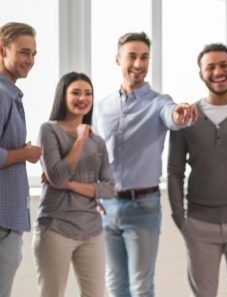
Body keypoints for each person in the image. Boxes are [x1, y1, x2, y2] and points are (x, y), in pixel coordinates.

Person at [93, 32, 197, 297]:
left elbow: (173, 116)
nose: (138, 64)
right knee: (115, 285)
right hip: (106, 208)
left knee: (141, 286)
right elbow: (93, 154)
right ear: (118, 59)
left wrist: (181, 113)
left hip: (143, 207)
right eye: (132, 56)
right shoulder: (101, 107)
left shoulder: (159, 102)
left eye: (144, 57)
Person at [167, 43, 227, 297]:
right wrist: (179, 218)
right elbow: (174, 171)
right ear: (201, 74)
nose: (218, 71)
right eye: (211, 67)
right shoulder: (186, 117)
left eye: (224, 64)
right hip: (199, 225)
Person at [32, 72, 115, 297]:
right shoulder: (49, 130)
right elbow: (57, 178)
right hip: (56, 228)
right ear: (63, 96)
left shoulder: (97, 142)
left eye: (88, 93)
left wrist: (69, 185)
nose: (83, 98)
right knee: (52, 294)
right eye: (76, 92)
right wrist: (79, 140)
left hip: (91, 230)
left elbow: (109, 189)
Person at [0, 22, 41, 297]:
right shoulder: (1, 94)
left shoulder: (10, 95)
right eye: (24, 52)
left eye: (34, 54)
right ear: (2, 50)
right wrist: (24, 154)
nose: (30, 60)